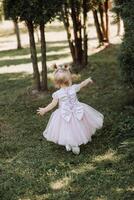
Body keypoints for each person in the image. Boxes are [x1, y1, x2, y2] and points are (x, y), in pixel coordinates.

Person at [37, 64, 104, 155]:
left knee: (74, 128)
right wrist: (87, 80)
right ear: (69, 80)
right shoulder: (69, 90)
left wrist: (45, 109)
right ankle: (70, 143)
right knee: (68, 128)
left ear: (57, 83)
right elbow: (81, 84)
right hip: (66, 113)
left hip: (75, 111)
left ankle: (70, 142)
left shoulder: (62, 92)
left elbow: (53, 104)